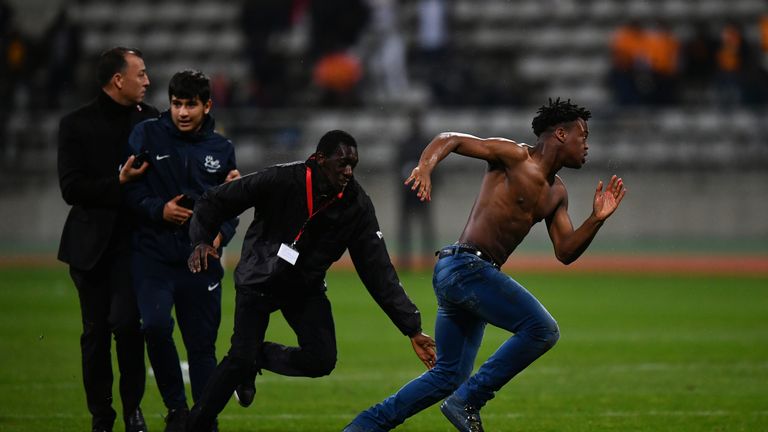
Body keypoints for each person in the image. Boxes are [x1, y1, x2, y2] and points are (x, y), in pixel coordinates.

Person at [344, 98, 626, 432]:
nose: (587, 145)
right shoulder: (514, 156)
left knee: (447, 376)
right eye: (583, 135)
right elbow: (451, 138)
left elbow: (565, 251)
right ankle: (469, 400)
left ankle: (361, 428)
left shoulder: (557, 194)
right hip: (466, 267)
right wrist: (425, 166)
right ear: (561, 134)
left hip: (465, 276)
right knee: (542, 330)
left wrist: (596, 219)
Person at [184, 129, 437, 432]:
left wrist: (411, 328)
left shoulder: (356, 205)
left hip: (304, 286)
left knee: (322, 359)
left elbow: (377, 268)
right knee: (238, 358)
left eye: (353, 164)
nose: (348, 171)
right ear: (319, 160)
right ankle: (193, 425)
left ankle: (258, 356)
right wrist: (200, 240)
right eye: (342, 163)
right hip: (259, 277)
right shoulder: (281, 179)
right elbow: (214, 201)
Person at [124, 70, 239, 432]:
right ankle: (176, 410)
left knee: (201, 346)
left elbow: (232, 206)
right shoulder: (147, 135)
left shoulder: (222, 150)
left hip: (200, 262)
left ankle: (203, 419)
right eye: (176, 104)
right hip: (153, 255)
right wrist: (161, 210)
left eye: (191, 105)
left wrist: (219, 237)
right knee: (155, 327)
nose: (183, 112)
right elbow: (128, 191)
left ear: (207, 106)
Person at [57, 47, 158, 432]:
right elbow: (71, 188)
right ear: (118, 80)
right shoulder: (76, 125)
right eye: (141, 74)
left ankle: (133, 411)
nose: (147, 81)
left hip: (135, 246)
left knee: (129, 326)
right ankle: (102, 417)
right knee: (96, 334)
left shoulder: (152, 122)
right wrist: (118, 184)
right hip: (89, 247)